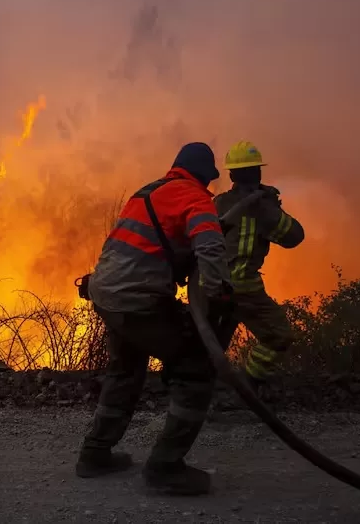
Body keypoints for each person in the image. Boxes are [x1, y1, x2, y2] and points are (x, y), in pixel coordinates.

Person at [75, 142, 233, 496]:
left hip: (106, 293)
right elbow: (209, 245)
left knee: (126, 370)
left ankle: (95, 454)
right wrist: (219, 291)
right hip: (138, 300)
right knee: (195, 366)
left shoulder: (147, 192)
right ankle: (165, 466)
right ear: (204, 176)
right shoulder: (194, 197)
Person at [213, 141, 305, 391]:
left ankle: (204, 390)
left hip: (210, 289)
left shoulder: (217, 203)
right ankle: (248, 384)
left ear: (230, 175)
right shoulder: (262, 209)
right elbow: (294, 237)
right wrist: (269, 207)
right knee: (278, 336)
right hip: (244, 291)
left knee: (212, 343)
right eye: (251, 172)